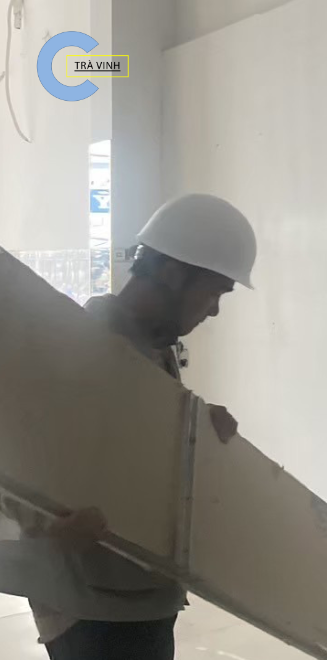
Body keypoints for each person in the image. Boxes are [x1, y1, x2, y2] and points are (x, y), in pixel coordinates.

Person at [0, 193, 257, 660]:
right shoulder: (82, 346)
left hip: (142, 589)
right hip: (90, 603)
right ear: (173, 274)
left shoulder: (151, 350)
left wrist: (195, 427)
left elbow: (124, 447)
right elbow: (16, 460)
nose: (215, 310)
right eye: (214, 292)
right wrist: (46, 535)